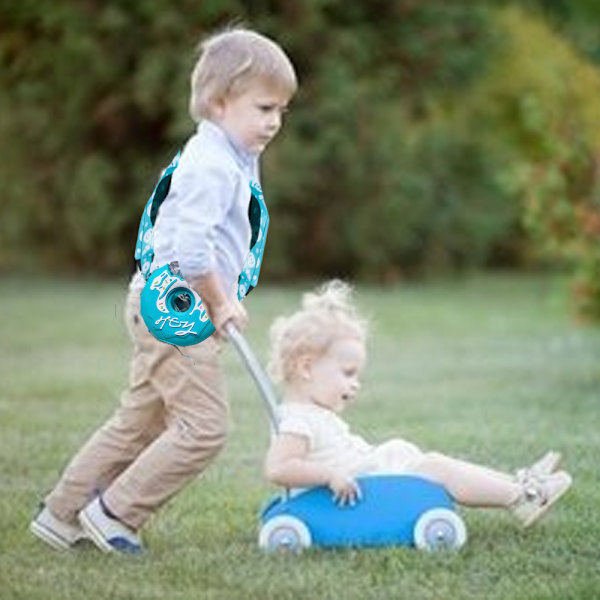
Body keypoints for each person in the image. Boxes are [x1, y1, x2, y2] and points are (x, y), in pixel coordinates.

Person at [30, 27, 297, 554]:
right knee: (204, 428)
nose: (275, 122)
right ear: (219, 103)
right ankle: (112, 514)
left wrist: (223, 295)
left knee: (140, 420)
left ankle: (62, 515)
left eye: (282, 111)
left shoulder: (232, 155)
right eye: (264, 108)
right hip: (177, 306)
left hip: (171, 302)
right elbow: (193, 252)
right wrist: (219, 301)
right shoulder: (212, 165)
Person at [264, 280, 572, 528]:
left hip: (364, 475)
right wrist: (329, 476)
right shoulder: (297, 421)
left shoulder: (312, 413)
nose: (356, 383)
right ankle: (521, 498)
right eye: (348, 373)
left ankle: (520, 484)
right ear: (306, 368)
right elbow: (279, 468)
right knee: (435, 466)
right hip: (355, 491)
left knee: (429, 460)